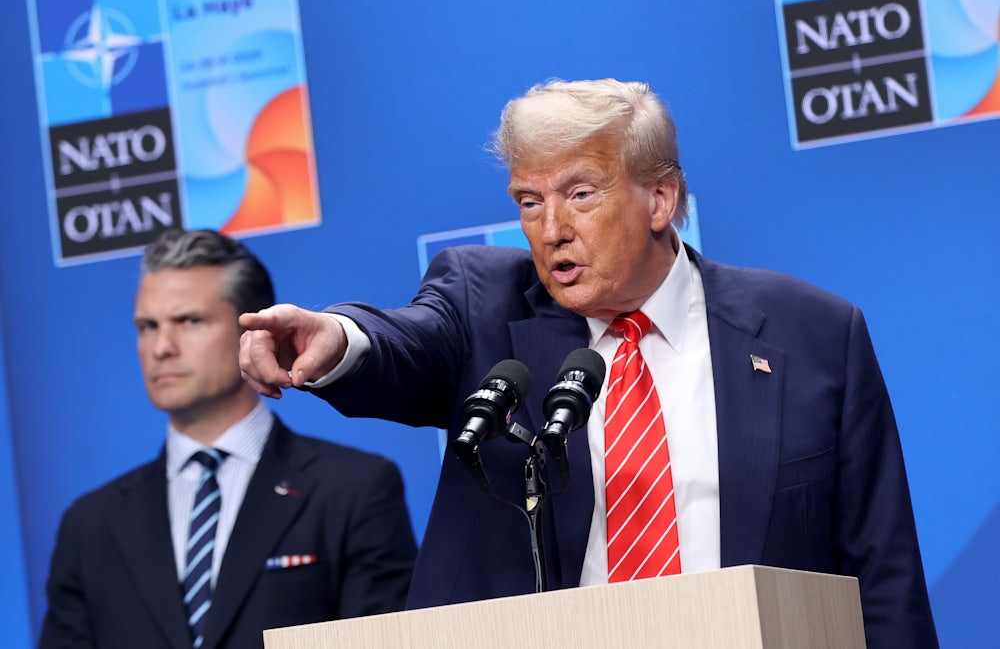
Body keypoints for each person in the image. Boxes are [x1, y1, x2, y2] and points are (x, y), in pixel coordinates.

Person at [237, 79, 938, 647]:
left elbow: (883, 572)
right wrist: (337, 337)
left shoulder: (812, 332)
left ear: (660, 198)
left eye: (579, 193)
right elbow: (407, 342)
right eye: (529, 201)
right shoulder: (485, 304)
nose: (551, 229)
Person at [40, 229, 417, 649]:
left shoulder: (354, 491)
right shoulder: (90, 524)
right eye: (148, 326)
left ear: (255, 334)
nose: (161, 347)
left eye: (190, 321)